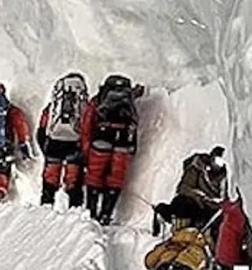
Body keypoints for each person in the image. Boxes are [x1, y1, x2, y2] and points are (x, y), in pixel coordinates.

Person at [83, 74, 143, 225]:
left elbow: (87, 121)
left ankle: (91, 212)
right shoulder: (128, 99)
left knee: (94, 175)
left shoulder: (98, 99)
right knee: (116, 177)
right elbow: (134, 121)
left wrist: (86, 146)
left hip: (101, 138)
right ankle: (106, 214)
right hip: (123, 140)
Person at [36, 73, 89, 207]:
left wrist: (45, 145)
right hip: (74, 143)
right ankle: (75, 207)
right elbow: (87, 126)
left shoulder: (54, 105)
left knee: (51, 176)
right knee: (73, 178)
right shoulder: (83, 105)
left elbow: (43, 124)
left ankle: (46, 203)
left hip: (54, 142)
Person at [153, 146, 228, 232]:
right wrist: (200, 198)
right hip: (194, 203)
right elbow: (185, 187)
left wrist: (215, 203)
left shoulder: (228, 177)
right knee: (182, 204)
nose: (218, 164)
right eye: (216, 160)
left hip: (211, 209)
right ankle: (178, 231)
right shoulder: (197, 168)